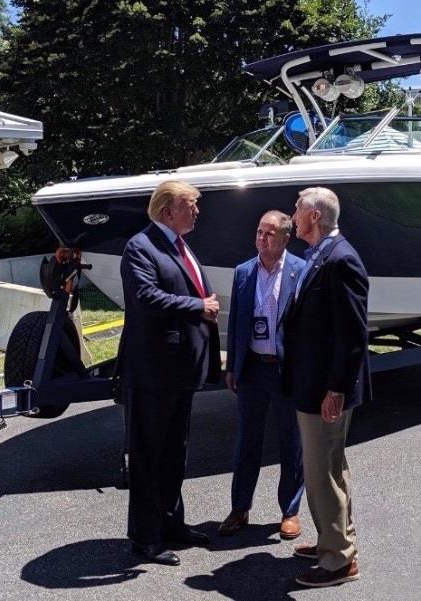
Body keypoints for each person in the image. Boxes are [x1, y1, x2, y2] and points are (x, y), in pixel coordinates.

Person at [119, 180, 221, 566]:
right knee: (148, 455)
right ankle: (145, 538)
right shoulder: (140, 248)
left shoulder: (179, 244)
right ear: (167, 211)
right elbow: (146, 297)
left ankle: (172, 525)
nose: (197, 210)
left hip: (179, 372)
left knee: (175, 453)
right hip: (153, 372)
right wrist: (198, 305)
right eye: (191, 204)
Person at [283, 186, 371, 588]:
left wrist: (337, 389)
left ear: (314, 216)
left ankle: (337, 561)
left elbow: (352, 333)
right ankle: (334, 541)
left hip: (325, 390)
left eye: (297, 209)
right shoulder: (317, 256)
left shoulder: (341, 260)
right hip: (312, 384)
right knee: (329, 469)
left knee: (322, 473)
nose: (292, 216)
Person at [218, 211, 306, 539]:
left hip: (286, 372)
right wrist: (233, 367)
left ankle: (290, 511)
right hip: (253, 369)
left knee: (291, 443)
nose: (262, 238)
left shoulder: (301, 271)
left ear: (285, 238)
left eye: (270, 234)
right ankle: (239, 509)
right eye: (259, 232)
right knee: (246, 442)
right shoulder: (243, 272)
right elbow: (237, 321)